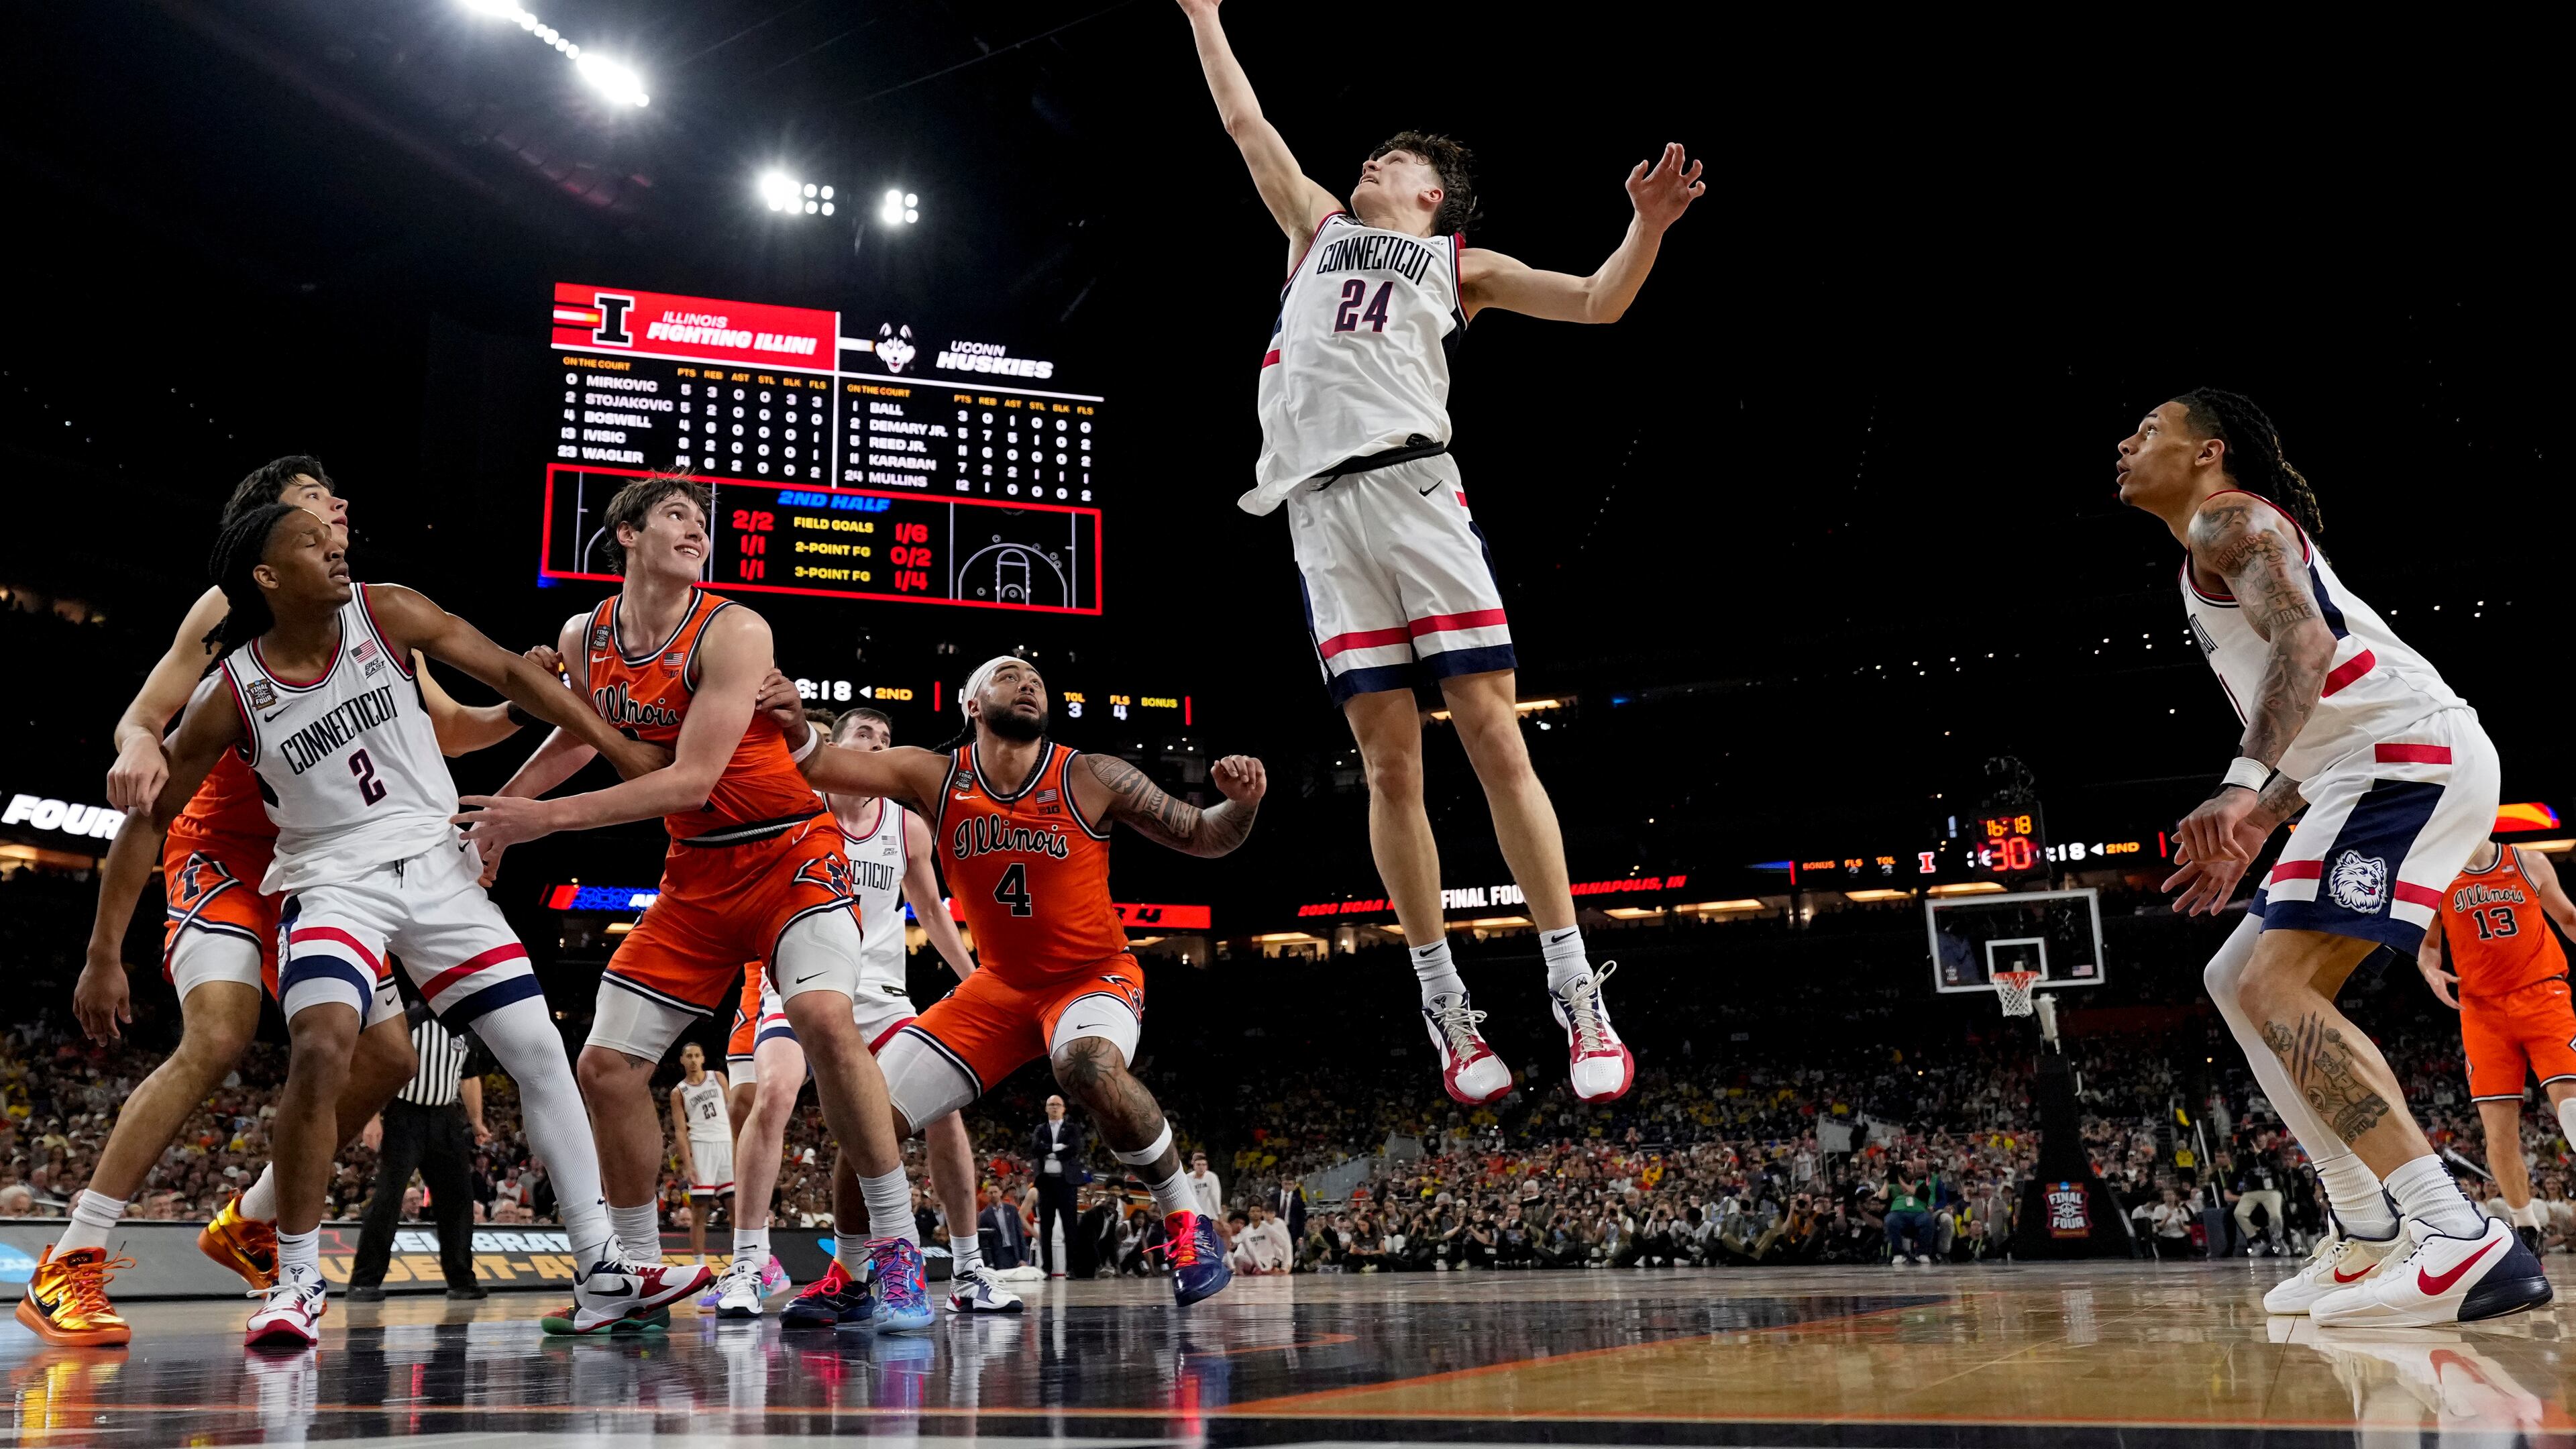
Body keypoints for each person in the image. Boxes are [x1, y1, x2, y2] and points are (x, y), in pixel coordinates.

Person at [1177, 0, 1703, 1107]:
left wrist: (1646, 227)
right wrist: (1204, 14)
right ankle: (1446, 1008)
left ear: (1430, 198)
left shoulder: (1460, 263)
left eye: (1400, 158)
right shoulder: (1313, 228)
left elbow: (1601, 302)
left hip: (1416, 489)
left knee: (1491, 735)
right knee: (1388, 763)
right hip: (1319, 515)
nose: (1374, 158)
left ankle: (1577, 993)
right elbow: (1240, 118)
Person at [114, 503, 696, 1344]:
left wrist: (619, 745)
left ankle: (603, 1266)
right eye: (312, 543)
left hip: (435, 866)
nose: (338, 544)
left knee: (537, 1048)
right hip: (330, 879)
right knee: (322, 1044)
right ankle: (297, 1281)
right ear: (268, 579)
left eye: (336, 535)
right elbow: (151, 818)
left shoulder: (389, 611)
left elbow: (509, 673)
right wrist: (105, 952)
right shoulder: (229, 691)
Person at [20, 458, 529, 1348]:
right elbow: (144, 717)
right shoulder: (230, 611)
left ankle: (251, 1217)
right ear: (269, 536)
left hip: (329, 864)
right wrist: (139, 747)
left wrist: (523, 699)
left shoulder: (366, 610)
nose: (339, 509)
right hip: (224, 852)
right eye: (316, 501)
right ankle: (72, 1258)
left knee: (386, 1060)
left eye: (339, 498)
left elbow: (446, 727)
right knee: (217, 1036)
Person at [456, 475, 936, 1334]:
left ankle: (895, 1250)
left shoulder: (736, 628)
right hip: (697, 876)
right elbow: (579, 737)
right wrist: (498, 820)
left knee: (826, 1020)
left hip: (792, 852)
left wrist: (539, 822)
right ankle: (637, 1267)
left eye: (702, 520)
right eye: (677, 514)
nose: (697, 529)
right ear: (627, 534)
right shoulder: (584, 634)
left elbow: (691, 777)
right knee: (604, 1067)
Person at [2123, 388, 2550, 1327]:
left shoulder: (2229, 519)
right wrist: (2261, 820)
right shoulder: (2215, 544)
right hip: (2366, 765)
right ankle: (2366, 1233)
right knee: (2235, 977)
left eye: (2150, 429)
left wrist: (2240, 786)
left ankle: (2458, 1239)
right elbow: (2325, 711)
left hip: (2407, 758)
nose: (2127, 442)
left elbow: (2308, 646)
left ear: (2210, 452)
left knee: (2279, 985)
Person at [767, 653, 1265, 1306]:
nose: (1027, 683)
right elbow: (823, 765)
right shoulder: (936, 776)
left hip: (1091, 975)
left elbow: (1204, 835)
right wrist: (794, 720)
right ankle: (854, 1276)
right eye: (1008, 675)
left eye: (1036, 680)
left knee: (1085, 1068)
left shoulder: (1089, 774)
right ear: (972, 704)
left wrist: (1243, 803)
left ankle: (1187, 1219)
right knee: (867, 1115)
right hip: (999, 988)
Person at [721, 706, 1016, 1320]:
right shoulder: (798, 805)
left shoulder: (905, 826)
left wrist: (984, 981)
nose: (879, 745)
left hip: (882, 998)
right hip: (801, 980)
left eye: (886, 739)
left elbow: (934, 913)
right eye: (866, 735)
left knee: (945, 1112)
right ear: (836, 745)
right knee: (772, 1093)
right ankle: (747, 1267)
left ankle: (968, 1271)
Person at [2418, 840, 2576, 1251]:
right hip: (2482, 1012)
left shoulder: (2528, 862)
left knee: (2573, 1109)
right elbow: (2429, 947)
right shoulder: (2438, 874)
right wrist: (2431, 971)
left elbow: (2569, 917)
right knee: (2499, 1134)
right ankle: (2527, 1227)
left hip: (2543, 996)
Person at [348, 1000, 492, 1301]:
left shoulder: (465, 1028)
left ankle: (461, 1280)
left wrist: (476, 1121)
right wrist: (373, 1117)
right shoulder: (408, 1021)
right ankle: (364, 1281)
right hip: (405, 1115)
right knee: (388, 1197)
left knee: (458, 1199)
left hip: (446, 1118)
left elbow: (468, 1076)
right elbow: (378, 1067)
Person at [668, 1043, 732, 1266]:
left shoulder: (718, 1077)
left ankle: (742, 1263)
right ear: (682, 1061)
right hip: (702, 1147)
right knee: (699, 1211)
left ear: (703, 1058)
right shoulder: (678, 1092)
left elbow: (732, 1109)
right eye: (689, 1056)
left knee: (736, 1207)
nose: (694, 1060)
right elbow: (680, 1131)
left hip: (726, 1143)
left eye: (697, 1055)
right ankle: (699, 1266)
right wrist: (688, 1164)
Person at [1030, 1095, 1087, 1279]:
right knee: (1046, 1227)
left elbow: (1074, 1149)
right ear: (1046, 1109)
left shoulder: (1071, 1128)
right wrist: (1057, 1148)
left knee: (1070, 1226)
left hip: (1066, 1183)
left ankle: (1072, 1267)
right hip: (1046, 1183)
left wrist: (1050, 1150)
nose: (1054, 1108)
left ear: (1064, 1109)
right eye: (1051, 1105)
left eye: (1057, 1105)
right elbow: (1036, 1148)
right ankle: (1047, 1268)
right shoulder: (1041, 1129)